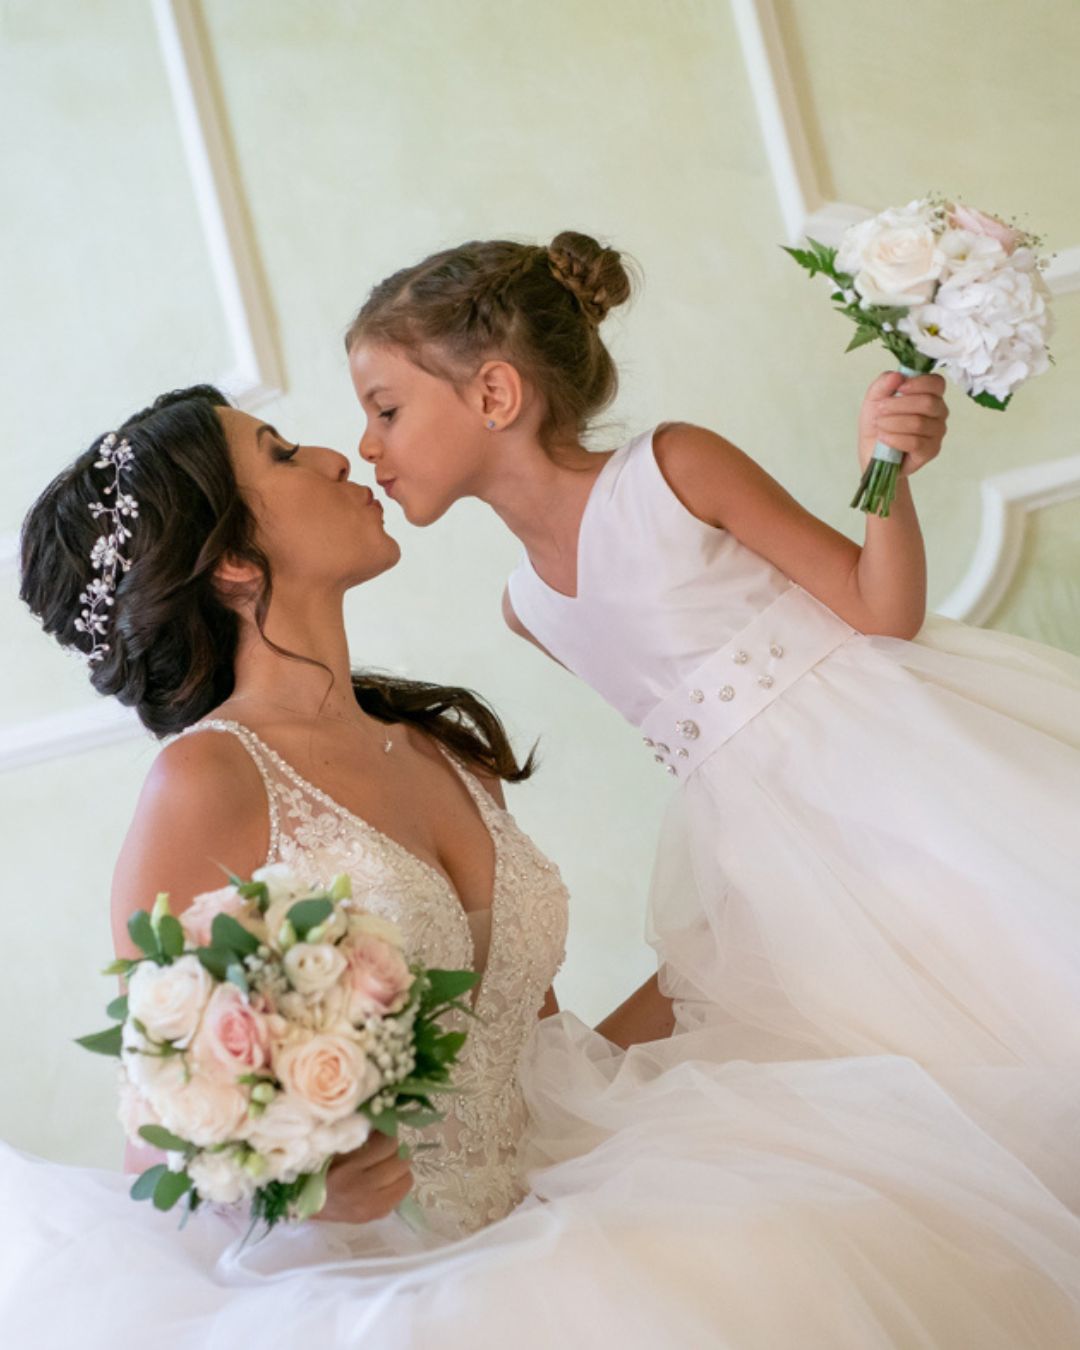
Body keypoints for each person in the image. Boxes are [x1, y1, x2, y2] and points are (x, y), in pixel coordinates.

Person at [7, 384, 1080, 1348]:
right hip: (380, 1280)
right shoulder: (207, 783)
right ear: (233, 563)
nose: (336, 457)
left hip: (558, 1191)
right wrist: (298, 1188)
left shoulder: (438, 747)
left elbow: (538, 1052)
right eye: (283, 455)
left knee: (841, 1209)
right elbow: (160, 1145)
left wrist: (770, 931)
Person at [345, 231, 1080, 1206]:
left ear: (493, 395)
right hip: (769, 852)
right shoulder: (531, 607)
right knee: (877, 1101)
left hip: (895, 777)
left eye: (386, 409)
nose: (367, 446)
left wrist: (884, 472)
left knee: (1017, 1003)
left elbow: (877, 612)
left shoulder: (671, 467)